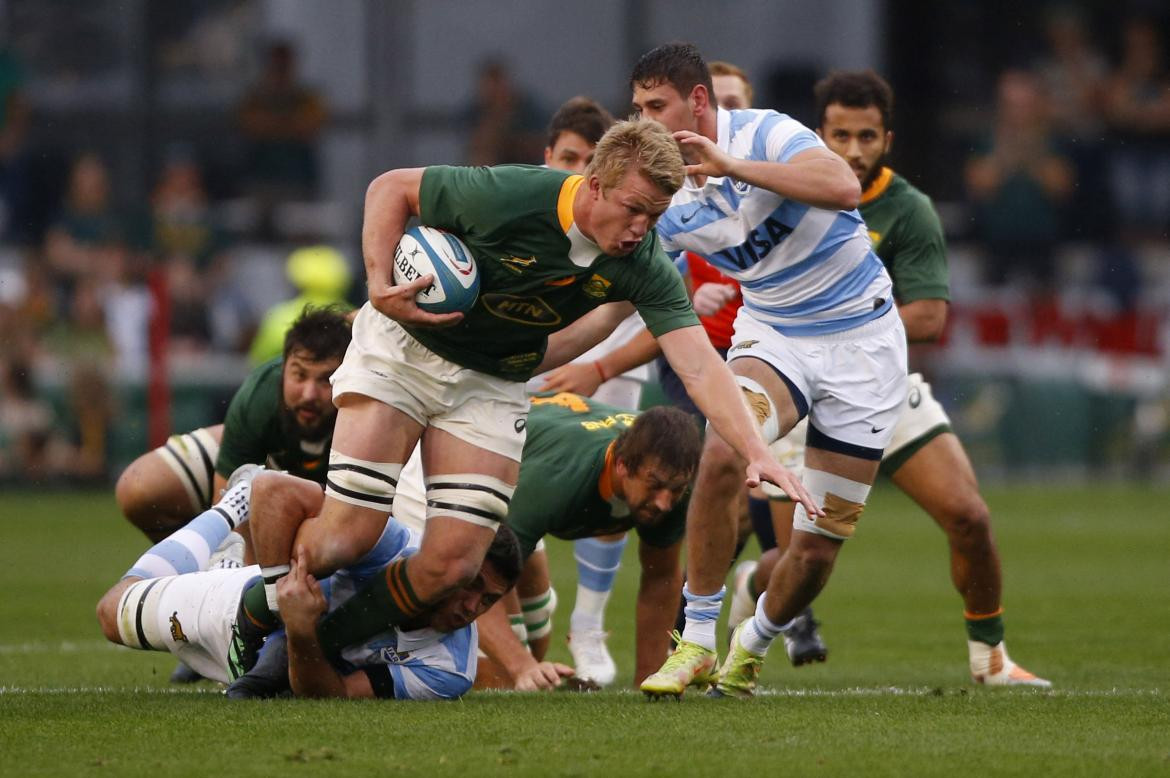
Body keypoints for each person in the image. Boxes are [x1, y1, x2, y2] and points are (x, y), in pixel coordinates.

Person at [234, 117, 812, 679]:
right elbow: (391, 187)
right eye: (633, 209)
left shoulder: (642, 263)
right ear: (594, 183)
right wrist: (380, 285)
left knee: (454, 565)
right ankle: (251, 611)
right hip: (408, 348)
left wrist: (755, 451)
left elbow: (700, 367)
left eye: (655, 215)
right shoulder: (509, 195)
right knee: (345, 537)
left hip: (491, 380)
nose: (641, 228)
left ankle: (313, 648)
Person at [731, 70, 1051, 688]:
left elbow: (930, 315)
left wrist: (848, 326)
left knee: (971, 517)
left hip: (878, 376)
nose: (853, 149)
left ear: (888, 139)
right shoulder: (780, 191)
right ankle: (739, 598)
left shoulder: (906, 208)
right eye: (840, 134)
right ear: (815, 135)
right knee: (797, 554)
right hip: (795, 377)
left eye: (867, 136)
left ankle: (990, 660)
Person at [627, 43, 906, 699]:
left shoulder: (767, 131)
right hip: (775, 335)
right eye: (636, 108)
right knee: (724, 452)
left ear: (698, 102)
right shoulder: (662, 200)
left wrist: (731, 165)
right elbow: (625, 283)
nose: (643, 119)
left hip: (864, 345)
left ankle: (751, 643)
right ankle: (695, 639)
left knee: (814, 549)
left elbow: (841, 187)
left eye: (655, 106)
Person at [96, 468, 522, 700]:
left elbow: (329, 694)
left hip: (285, 656)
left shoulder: (452, 670)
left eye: (489, 599)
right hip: (237, 612)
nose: (473, 606)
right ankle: (228, 511)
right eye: (473, 584)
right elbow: (274, 489)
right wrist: (276, 603)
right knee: (112, 613)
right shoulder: (392, 546)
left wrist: (300, 631)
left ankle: (232, 559)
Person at [474, 394, 700, 690]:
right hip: (473, 468)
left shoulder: (671, 477)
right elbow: (473, 575)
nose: (664, 502)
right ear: (621, 464)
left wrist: (649, 681)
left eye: (676, 490)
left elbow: (661, 577)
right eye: (654, 485)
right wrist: (522, 667)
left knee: (537, 615)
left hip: (524, 497)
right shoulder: (555, 481)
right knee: (497, 671)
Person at [115, 307, 349, 542]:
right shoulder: (261, 394)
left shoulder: (368, 402)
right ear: (284, 366)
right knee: (138, 487)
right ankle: (197, 568)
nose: (309, 394)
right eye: (299, 375)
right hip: (267, 470)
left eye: (325, 380)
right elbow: (226, 512)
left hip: (333, 500)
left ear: (348, 375)